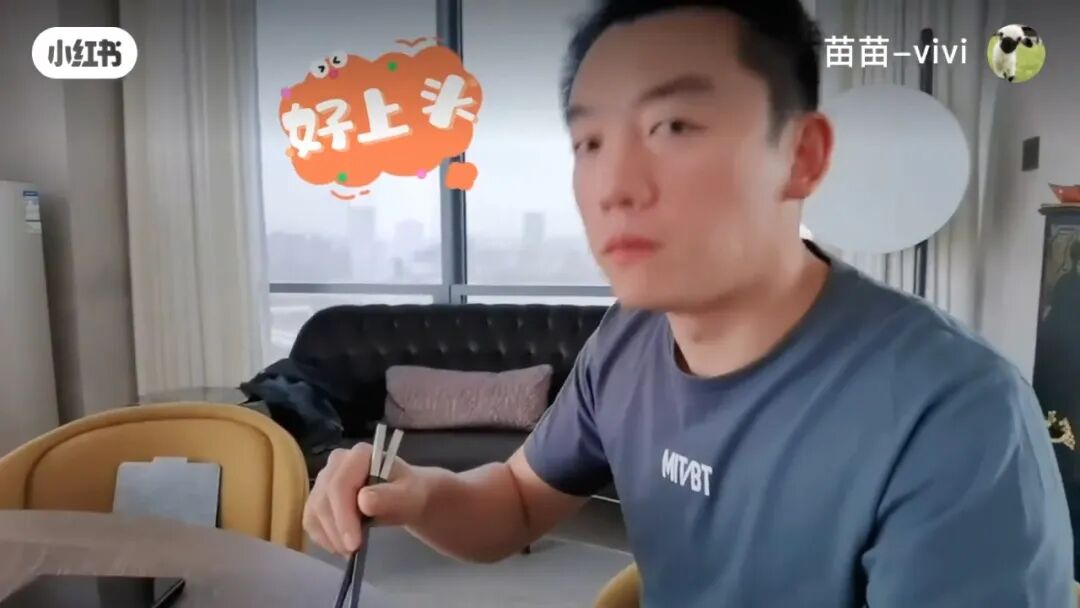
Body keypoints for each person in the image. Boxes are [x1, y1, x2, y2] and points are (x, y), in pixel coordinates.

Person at [304, 0, 1075, 605]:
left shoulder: (955, 416)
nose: (614, 186)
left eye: (672, 126)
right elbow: (515, 500)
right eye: (590, 143)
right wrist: (417, 495)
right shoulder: (628, 337)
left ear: (802, 156)